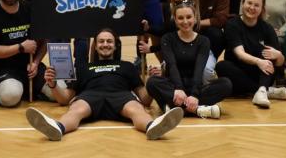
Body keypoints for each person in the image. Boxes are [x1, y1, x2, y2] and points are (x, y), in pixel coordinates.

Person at [25, 28, 185, 141]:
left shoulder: (127, 66)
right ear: (96, 46)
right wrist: (53, 85)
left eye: (109, 41)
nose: (105, 44)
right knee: (76, 109)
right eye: (101, 41)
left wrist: (152, 81)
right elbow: (65, 99)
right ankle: (58, 128)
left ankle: (152, 126)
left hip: (121, 96)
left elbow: (144, 99)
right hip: (90, 96)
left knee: (136, 109)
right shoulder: (84, 68)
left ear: (115, 45)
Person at [145, 2, 232, 118]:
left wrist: (194, 95)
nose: (185, 21)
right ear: (175, 20)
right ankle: (197, 110)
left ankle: (175, 108)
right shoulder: (167, 39)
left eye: (189, 17)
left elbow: (199, 69)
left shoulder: (203, 41)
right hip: (174, 88)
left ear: (195, 18)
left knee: (226, 84)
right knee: (152, 82)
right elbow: (172, 65)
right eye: (180, 18)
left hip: (196, 88)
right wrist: (179, 89)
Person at [215, 0, 286, 108]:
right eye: (249, 3)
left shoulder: (267, 28)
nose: (252, 7)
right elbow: (240, 54)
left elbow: (280, 62)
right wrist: (258, 62)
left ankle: (262, 89)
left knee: (269, 55)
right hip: (239, 72)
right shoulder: (232, 24)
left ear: (262, 9)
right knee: (221, 66)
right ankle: (264, 91)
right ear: (242, 3)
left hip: (262, 74)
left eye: (256, 5)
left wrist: (279, 55)